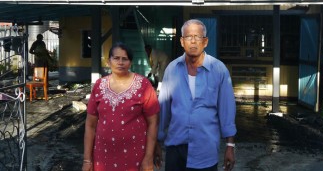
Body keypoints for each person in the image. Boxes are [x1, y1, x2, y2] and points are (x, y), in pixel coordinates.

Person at [155, 19, 237, 171]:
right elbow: (163, 109)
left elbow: (227, 110)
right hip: (175, 148)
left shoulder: (219, 70)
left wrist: (230, 146)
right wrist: (157, 143)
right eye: (188, 37)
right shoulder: (172, 69)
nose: (193, 41)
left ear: (205, 42)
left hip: (205, 149)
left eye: (197, 37)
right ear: (181, 41)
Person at [82, 42, 160, 171]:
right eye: (116, 58)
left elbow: (153, 123)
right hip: (103, 156)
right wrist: (87, 160)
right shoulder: (99, 85)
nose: (120, 62)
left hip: (135, 155)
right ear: (108, 61)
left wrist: (148, 157)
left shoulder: (143, 85)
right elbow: (90, 125)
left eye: (125, 59)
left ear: (130, 63)